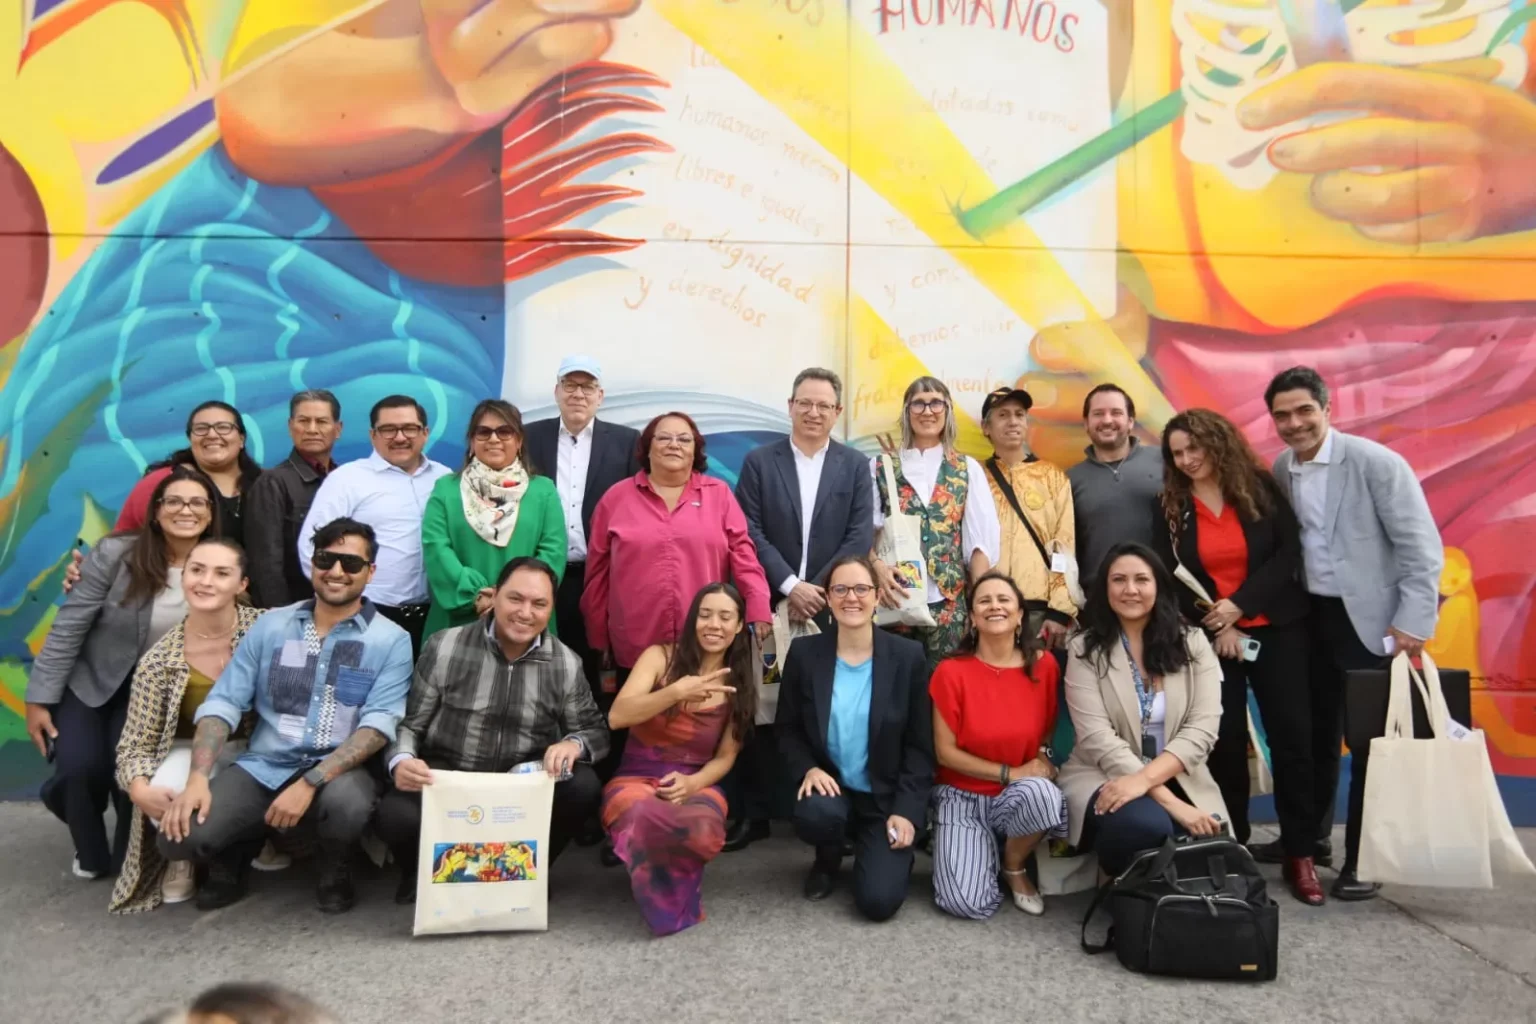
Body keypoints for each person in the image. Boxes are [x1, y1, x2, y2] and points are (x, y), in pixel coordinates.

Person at [157, 518, 414, 913]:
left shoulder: (391, 640)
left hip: (340, 771)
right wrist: (197, 779)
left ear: (370, 571)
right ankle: (238, 850)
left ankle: (334, 865)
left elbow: (378, 726)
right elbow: (224, 702)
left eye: (351, 563)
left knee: (348, 805)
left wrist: (310, 782)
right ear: (312, 563)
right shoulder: (272, 625)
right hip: (265, 764)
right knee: (178, 838)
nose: (336, 571)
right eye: (326, 559)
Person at [1261, 366, 1444, 902]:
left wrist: (1413, 620)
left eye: (1304, 411)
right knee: (1314, 734)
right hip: (1309, 617)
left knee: (1370, 744)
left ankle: (1365, 859)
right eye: (1282, 415)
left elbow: (1420, 546)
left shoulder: (1376, 463)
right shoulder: (1282, 467)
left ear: (1327, 408)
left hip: (1372, 622)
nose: (1294, 424)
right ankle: (1312, 839)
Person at [1152, 409, 1321, 905]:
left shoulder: (1260, 489)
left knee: (1293, 739)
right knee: (1222, 743)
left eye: (1194, 448)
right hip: (1212, 639)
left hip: (1278, 630)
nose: (1187, 460)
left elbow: (1288, 555)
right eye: (1177, 454)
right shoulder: (1170, 505)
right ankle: (1233, 846)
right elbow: (1168, 574)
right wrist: (1219, 623)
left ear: (1218, 443)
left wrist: (1241, 606)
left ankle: (1301, 852)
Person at [24, 466, 223, 880]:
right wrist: (39, 699)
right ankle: (87, 848)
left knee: (130, 774)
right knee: (79, 769)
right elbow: (69, 626)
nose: (185, 510)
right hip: (94, 681)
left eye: (197, 503)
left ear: (210, 513)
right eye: (174, 502)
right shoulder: (115, 554)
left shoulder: (219, 561)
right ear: (155, 511)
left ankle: (127, 856)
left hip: (154, 693)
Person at [375, 557, 609, 905]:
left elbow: (595, 731)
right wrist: (403, 760)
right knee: (395, 814)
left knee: (583, 785)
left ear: (550, 609)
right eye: (515, 598)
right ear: (494, 596)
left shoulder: (565, 663)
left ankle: (530, 871)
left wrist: (573, 744)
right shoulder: (445, 646)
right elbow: (410, 724)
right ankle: (420, 873)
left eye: (539, 604)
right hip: (451, 775)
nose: (525, 613)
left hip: (520, 783)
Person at [581, 411, 772, 815]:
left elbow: (744, 557)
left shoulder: (719, 495)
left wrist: (757, 610)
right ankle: (626, 814)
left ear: (696, 450)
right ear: (647, 448)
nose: (674, 445)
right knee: (636, 730)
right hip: (636, 639)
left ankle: (715, 810)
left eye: (684, 439)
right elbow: (597, 573)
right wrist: (598, 636)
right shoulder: (616, 498)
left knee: (711, 729)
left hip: (707, 642)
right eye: (663, 438)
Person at [729, 367, 874, 851]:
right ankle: (757, 813)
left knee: (827, 707)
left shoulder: (855, 466)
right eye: (805, 403)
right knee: (763, 703)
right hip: (771, 604)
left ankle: (828, 814)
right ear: (790, 406)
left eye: (824, 405)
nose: (814, 412)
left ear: (837, 412)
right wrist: (791, 586)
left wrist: (820, 590)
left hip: (834, 607)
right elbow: (748, 529)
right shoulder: (759, 462)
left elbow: (858, 535)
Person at [110, 538, 266, 913]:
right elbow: (133, 745)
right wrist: (137, 788)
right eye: (196, 570)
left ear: (242, 584)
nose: (206, 581)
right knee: (162, 788)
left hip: (259, 745)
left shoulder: (268, 628)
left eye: (221, 573)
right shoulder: (159, 660)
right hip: (191, 749)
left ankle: (257, 837)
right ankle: (183, 855)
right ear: (183, 578)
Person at [777, 555, 934, 921]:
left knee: (878, 902)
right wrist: (808, 769)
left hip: (884, 799)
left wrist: (907, 811)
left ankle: (882, 853)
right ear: (828, 598)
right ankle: (828, 855)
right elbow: (786, 728)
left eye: (862, 589)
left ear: (877, 597)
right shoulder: (805, 654)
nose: (852, 597)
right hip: (830, 792)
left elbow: (919, 746)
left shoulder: (907, 657)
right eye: (841, 589)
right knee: (817, 814)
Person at [1058, 542, 1227, 877]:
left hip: (1175, 772)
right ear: (1105, 588)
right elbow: (1097, 738)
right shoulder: (1084, 649)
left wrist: (1145, 781)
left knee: (1205, 851)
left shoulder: (1193, 642)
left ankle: (1157, 897)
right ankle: (1124, 891)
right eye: (1119, 580)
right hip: (1102, 772)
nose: (1130, 589)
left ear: (1158, 586)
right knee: (1145, 827)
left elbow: (1203, 728)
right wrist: (1171, 803)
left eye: (1141, 580)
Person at [603, 583, 757, 936]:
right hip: (636, 777)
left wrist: (692, 784)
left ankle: (652, 866)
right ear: (693, 620)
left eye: (725, 617)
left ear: (738, 626)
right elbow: (617, 716)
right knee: (641, 814)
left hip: (695, 781)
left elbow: (725, 757)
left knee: (703, 828)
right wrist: (675, 691)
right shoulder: (659, 657)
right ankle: (657, 889)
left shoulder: (739, 681)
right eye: (705, 615)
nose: (713, 624)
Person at [930, 572, 1067, 919]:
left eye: (1004, 599)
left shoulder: (1044, 666)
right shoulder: (951, 672)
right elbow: (945, 753)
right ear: (973, 617)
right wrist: (1010, 772)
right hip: (962, 795)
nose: (995, 606)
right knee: (963, 902)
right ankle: (979, 845)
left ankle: (1013, 864)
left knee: (1043, 794)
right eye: (984, 601)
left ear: (1020, 614)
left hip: (1019, 794)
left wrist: (1042, 756)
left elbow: (1048, 728)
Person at [299, 395, 451, 657]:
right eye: (388, 429)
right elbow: (312, 548)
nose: (400, 437)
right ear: (373, 435)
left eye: (409, 428)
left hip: (434, 617)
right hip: (365, 613)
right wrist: (344, 600)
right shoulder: (347, 479)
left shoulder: (445, 478)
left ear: (425, 433)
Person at [523, 355, 642, 685]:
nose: (578, 394)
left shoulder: (627, 442)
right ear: (556, 391)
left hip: (601, 577)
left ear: (599, 396)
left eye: (587, 387)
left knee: (596, 670)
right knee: (540, 664)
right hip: (542, 573)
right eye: (570, 385)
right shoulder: (528, 437)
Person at [869, 377, 999, 664]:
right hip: (895, 601)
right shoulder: (880, 467)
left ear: (947, 410)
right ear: (907, 411)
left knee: (946, 684)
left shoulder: (966, 469)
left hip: (949, 606)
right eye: (918, 404)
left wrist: (980, 605)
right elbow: (864, 533)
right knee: (897, 684)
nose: (927, 411)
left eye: (936, 403)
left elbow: (979, 546)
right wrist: (877, 569)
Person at [422, 399, 565, 641]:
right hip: (460, 618)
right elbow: (436, 548)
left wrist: (513, 599)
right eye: (484, 432)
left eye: (505, 431)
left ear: (519, 441)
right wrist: (476, 596)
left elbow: (553, 551)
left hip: (524, 617)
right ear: (471, 441)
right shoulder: (446, 489)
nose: (494, 439)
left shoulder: (543, 491)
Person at [980, 385, 1078, 648]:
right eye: (1002, 415)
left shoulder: (1052, 476)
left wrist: (1059, 610)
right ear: (986, 427)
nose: (1013, 421)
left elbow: (1064, 544)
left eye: (1019, 414)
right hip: (989, 607)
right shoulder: (975, 477)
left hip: (1039, 610)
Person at [114, 401, 264, 547]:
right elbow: (121, 544)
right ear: (191, 439)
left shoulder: (267, 484)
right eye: (201, 428)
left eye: (223, 427)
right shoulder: (160, 482)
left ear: (241, 439)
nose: (212, 434)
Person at [245, 390, 343, 608]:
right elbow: (266, 565)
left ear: (338, 429)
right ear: (291, 427)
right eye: (303, 421)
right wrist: (281, 616)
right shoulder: (272, 483)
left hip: (340, 606)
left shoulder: (345, 480)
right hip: (294, 609)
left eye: (322, 421)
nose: (312, 429)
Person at [1066, 384, 1163, 582]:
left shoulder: (1164, 462)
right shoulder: (1069, 480)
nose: (1107, 420)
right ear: (1086, 423)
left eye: (1116, 413)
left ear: (1130, 421)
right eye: (1098, 414)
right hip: (1098, 592)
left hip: (1162, 588)